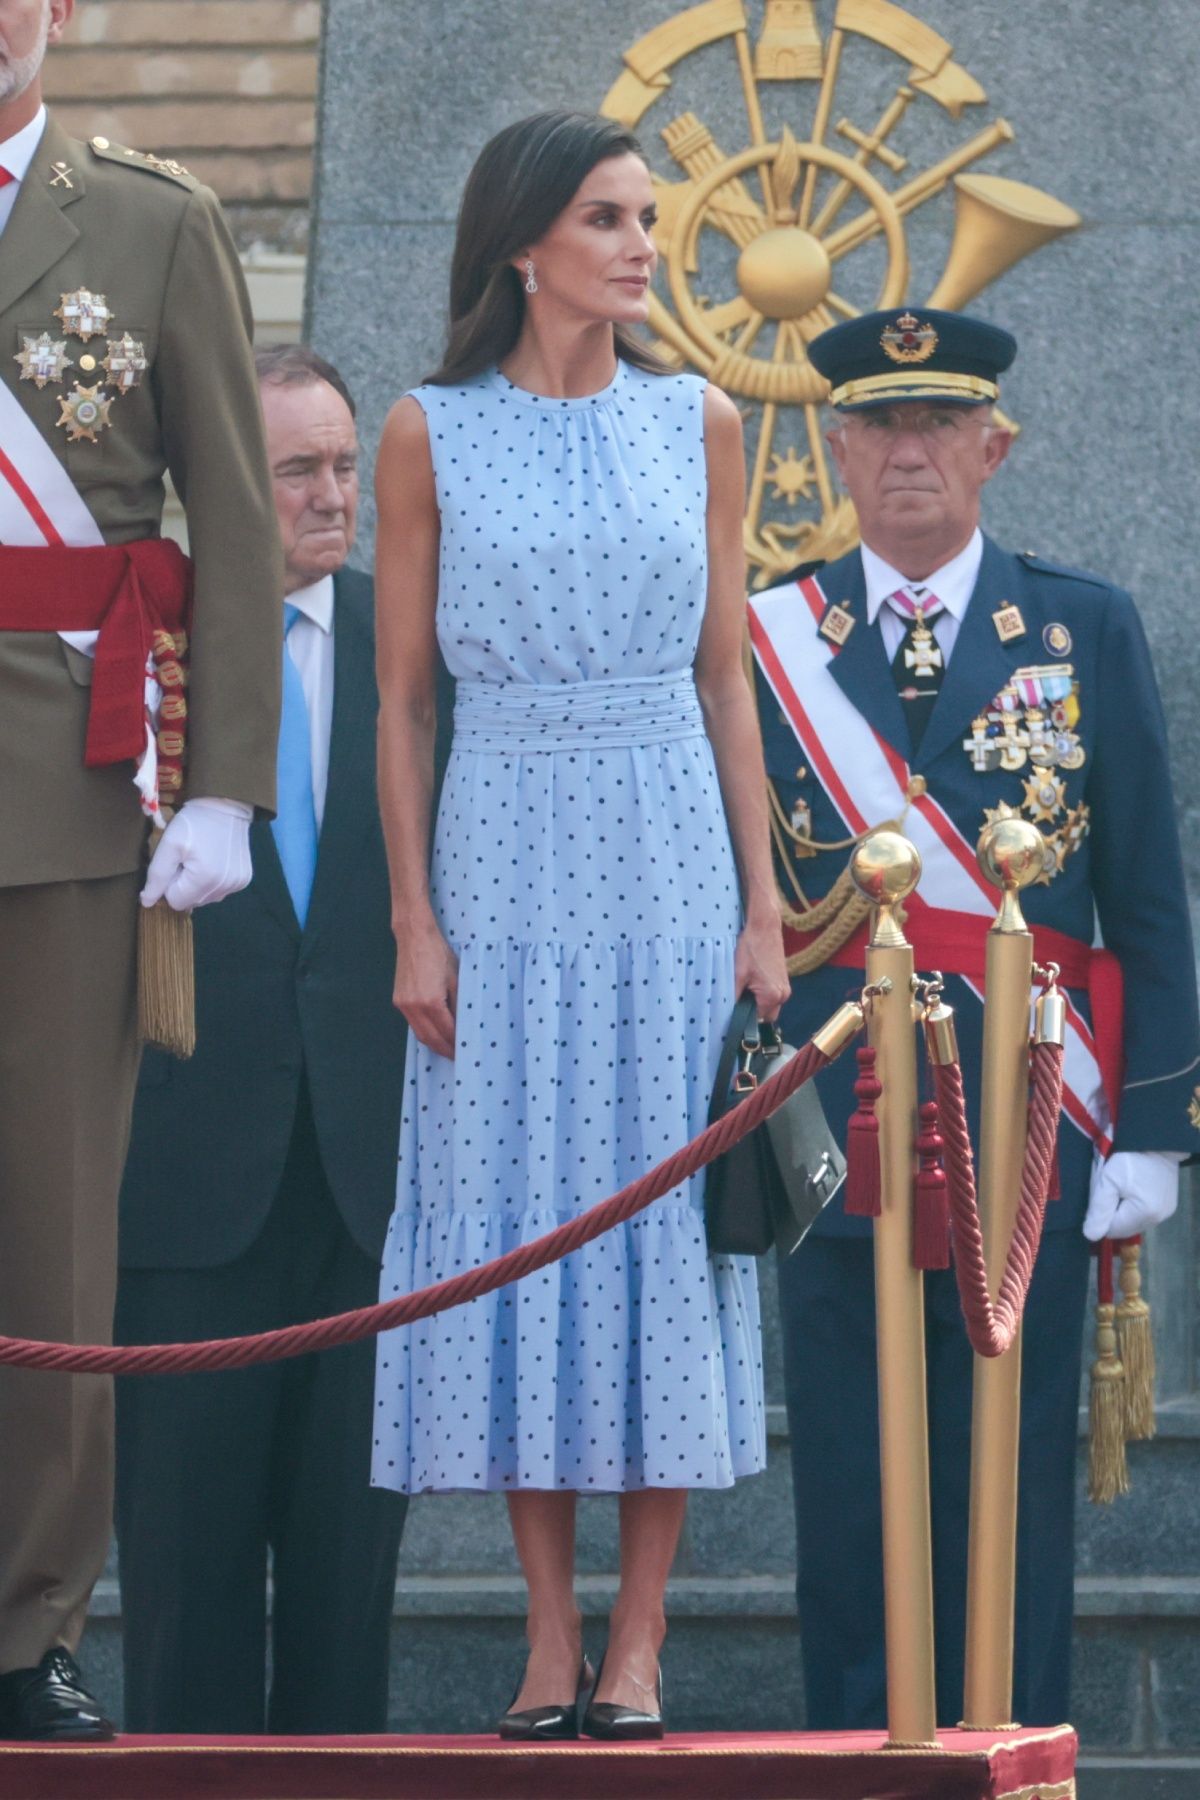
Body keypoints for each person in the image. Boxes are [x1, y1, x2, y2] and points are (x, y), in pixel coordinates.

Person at [370, 109, 789, 1741]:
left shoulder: (699, 421)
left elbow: (726, 675)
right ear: (524, 245)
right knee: (518, 1218)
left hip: (671, 847)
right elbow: (404, 703)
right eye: (606, 218)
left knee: (659, 1226)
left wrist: (764, 903)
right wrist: (414, 917)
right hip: (502, 849)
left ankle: (644, 1640)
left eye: (645, 218)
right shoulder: (426, 431)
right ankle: (552, 1638)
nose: (638, 246)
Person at [749, 306, 1200, 1730]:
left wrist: (1152, 1132)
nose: (908, 454)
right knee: (846, 1462)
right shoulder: (772, 641)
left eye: (938, 424)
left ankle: (1014, 1748)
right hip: (839, 1115)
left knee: (1009, 1472)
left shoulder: (1080, 625)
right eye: (879, 427)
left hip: (1033, 1112)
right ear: (835, 447)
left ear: (993, 446)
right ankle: (855, 1750)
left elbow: (1146, 895)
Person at [0, 0, 280, 1741]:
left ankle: (25, 1621)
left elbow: (234, 517)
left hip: (63, 791)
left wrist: (228, 786)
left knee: (45, 1236)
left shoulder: (154, 217)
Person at [114, 347, 437, 1733]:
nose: (332, 497)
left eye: (345, 466)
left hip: (372, 1190)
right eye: (297, 470)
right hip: (182, 1195)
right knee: (183, 1602)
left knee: (346, 1600)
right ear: (227, 485)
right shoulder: (134, 655)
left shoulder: (417, 651)